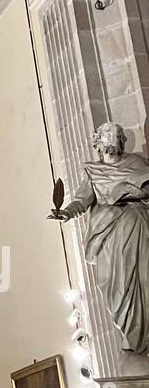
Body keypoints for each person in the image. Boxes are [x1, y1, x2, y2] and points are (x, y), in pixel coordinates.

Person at [50, 122, 149, 355]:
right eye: (106, 137)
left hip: (136, 226)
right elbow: (81, 201)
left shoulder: (137, 163)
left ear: (121, 141)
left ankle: (143, 334)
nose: (110, 140)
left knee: (142, 278)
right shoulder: (92, 171)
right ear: (98, 143)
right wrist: (66, 213)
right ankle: (130, 332)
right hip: (107, 235)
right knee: (112, 284)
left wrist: (136, 192)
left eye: (115, 136)